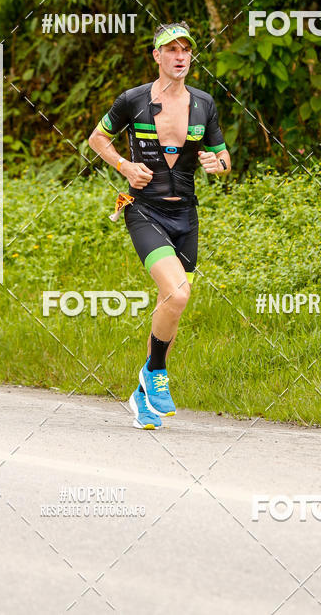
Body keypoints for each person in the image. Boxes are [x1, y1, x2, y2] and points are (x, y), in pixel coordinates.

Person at [89, 22, 231, 429]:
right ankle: (155, 373)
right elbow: (97, 138)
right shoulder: (133, 100)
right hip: (144, 210)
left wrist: (214, 164)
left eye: (186, 49)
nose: (180, 56)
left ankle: (142, 394)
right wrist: (124, 165)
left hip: (185, 214)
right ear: (157, 57)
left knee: (170, 302)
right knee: (179, 294)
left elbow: (224, 159)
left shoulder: (203, 104)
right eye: (171, 50)